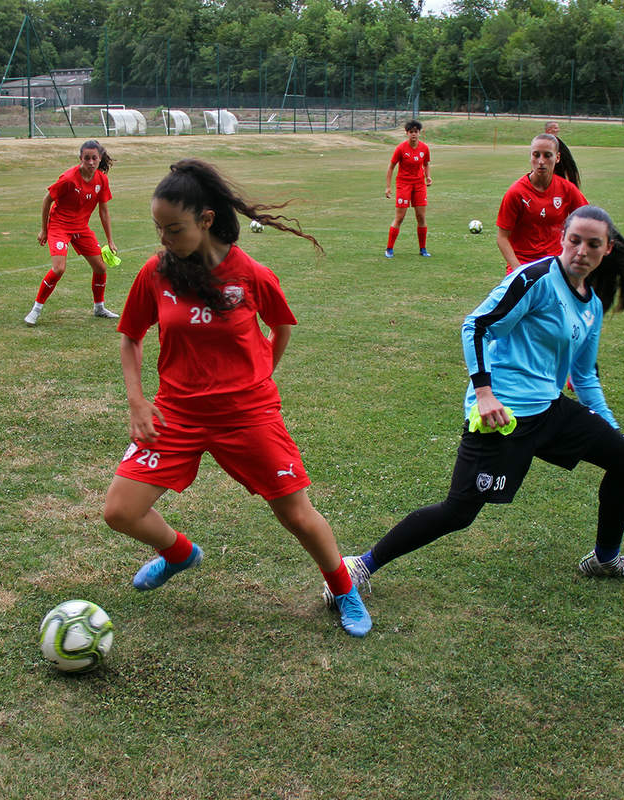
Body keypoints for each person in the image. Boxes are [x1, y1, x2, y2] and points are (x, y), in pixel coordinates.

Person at [329, 205, 624, 607]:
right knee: (459, 512)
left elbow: (584, 377)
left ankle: (604, 560)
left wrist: (613, 430)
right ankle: (358, 566)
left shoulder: (590, 304)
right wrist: (484, 394)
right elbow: (476, 325)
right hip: (502, 416)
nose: (581, 251)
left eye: (592, 244)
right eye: (574, 240)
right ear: (562, 239)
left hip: (549, 410)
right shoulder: (534, 279)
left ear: (607, 249)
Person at [102, 159, 371, 637]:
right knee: (120, 511)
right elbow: (130, 337)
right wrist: (137, 402)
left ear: (206, 220)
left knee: (296, 515)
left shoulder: (249, 273)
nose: (164, 238)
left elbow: (282, 326)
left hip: (247, 415)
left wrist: (263, 372)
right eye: (158, 228)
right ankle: (179, 553)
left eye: (174, 229)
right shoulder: (156, 272)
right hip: (177, 414)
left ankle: (344, 588)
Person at [24, 140, 119, 326]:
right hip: (59, 226)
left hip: (81, 228)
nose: (90, 162)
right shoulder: (68, 179)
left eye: (94, 158)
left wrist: (110, 240)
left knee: (100, 268)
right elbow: (47, 200)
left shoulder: (102, 180)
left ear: (100, 159)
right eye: (86, 158)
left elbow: (104, 211)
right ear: (80, 159)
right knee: (59, 269)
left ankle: (99, 307)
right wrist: (44, 229)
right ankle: (36, 309)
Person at [496, 133, 587, 274]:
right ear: (530, 157)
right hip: (523, 266)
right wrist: (518, 270)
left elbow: (588, 220)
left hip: (555, 266)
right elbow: (502, 237)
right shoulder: (516, 192)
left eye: (547, 155)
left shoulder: (567, 189)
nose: (541, 161)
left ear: (557, 158)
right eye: (536, 155)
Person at [383, 119, 432, 258]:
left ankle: (423, 249)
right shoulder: (400, 149)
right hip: (404, 184)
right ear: (407, 133)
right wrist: (388, 187)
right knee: (400, 217)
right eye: (411, 132)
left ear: (419, 133)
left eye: (416, 132)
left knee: (421, 217)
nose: (414, 135)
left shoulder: (424, 148)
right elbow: (391, 167)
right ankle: (389, 249)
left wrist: (428, 177)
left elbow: (426, 164)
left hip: (419, 184)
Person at [543, 120, 580, 188]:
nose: (558, 130)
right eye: (555, 128)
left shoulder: (560, 144)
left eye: (557, 128)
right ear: (548, 130)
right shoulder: (543, 144)